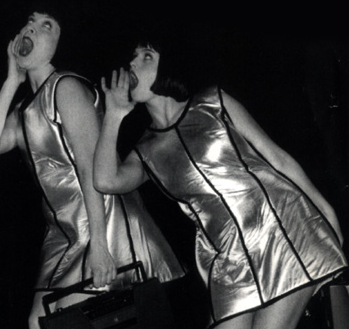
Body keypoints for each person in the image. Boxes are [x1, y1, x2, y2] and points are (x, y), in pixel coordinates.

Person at [93, 34, 348, 329]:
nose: (133, 63)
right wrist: (113, 116)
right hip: (228, 259)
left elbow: (278, 159)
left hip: (282, 230)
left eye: (146, 56)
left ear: (168, 67)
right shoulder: (147, 149)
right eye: (134, 56)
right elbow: (106, 181)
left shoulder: (214, 102)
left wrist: (325, 211)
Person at [0, 7, 185, 329]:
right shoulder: (25, 108)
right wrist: (12, 79)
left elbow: (89, 167)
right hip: (63, 231)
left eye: (47, 26)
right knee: (40, 321)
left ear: (59, 46)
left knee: (57, 320)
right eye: (30, 22)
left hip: (98, 222)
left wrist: (99, 244)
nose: (32, 29)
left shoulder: (66, 87)